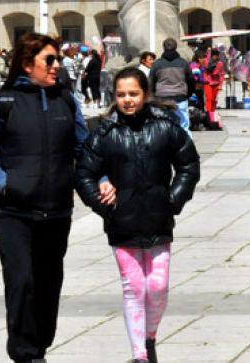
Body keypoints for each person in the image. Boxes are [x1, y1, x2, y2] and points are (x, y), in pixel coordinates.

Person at [0, 33, 89, 363]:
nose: (57, 66)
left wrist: (102, 179)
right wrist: (6, 183)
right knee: (21, 280)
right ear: (27, 64)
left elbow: (84, 148)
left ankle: (40, 346)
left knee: (49, 283)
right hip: (14, 213)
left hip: (57, 211)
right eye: (49, 60)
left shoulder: (66, 101)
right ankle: (24, 354)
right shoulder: (4, 101)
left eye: (56, 60)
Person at [74, 67, 199, 363]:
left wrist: (172, 199)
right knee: (134, 287)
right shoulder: (105, 132)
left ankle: (150, 335)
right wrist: (103, 204)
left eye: (133, 94)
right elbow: (83, 174)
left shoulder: (165, 127)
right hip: (122, 222)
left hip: (159, 217)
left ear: (146, 94)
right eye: (121, 95)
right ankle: (139, 354)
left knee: (157, 286)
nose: (127, 100)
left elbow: (188, 165)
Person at [149, 38, 196, 133]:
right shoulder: (183, 63)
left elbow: (151, 82)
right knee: (184, 126)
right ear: (176, 47)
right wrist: (189, 94)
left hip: (161, 99)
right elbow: (191, 80)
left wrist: (153, 96)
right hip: (180, 98)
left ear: (163, 48)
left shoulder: (157, 64)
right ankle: (186, 144)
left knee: (162, 125)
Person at [204, 48, 226, 130]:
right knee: (209, 99)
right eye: (214, 55)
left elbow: (222, 74)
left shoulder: (220, 63)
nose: (215, 57)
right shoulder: (206, 62)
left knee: (213, 100)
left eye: (217, 56)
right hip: (208, 83)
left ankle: (212, 114)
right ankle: (209, 115)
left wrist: (221, 84)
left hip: (216, 84)